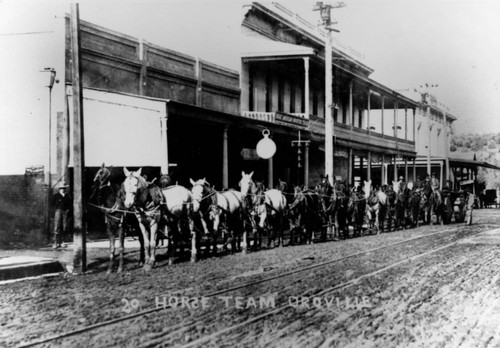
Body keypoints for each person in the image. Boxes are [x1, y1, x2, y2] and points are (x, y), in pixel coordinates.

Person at [52, 181, 72, 249]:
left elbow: (70, 204)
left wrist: (68, 211)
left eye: (64, 188)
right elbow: (52, 205)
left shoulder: (67, 196)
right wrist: (56, 211)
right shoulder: (56, 196)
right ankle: (55, 242)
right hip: (58, 211)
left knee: (64, 227)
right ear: (59, 189)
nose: (63, 189)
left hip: (65, 212)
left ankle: (62, 242)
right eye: (61, 188)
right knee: (57, 227)